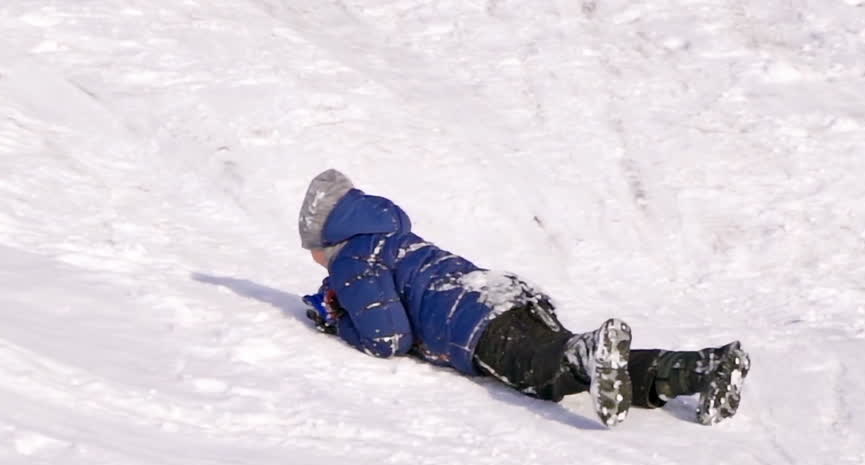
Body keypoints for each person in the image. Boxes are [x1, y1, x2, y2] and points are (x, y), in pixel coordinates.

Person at [298, 169, 749, 428]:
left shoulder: (352, 260)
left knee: (551, 370)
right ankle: (699, 368)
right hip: (504, 294)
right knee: (568, 357)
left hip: (475, 327)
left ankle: (589, 352)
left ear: (325, 240)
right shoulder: (395, 237)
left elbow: (387, 338)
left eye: (312, 250)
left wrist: (339, 320)